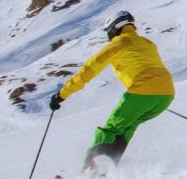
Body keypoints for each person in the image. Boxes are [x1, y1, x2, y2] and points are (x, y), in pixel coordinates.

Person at [50, 10, 175, 169]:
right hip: (166, 94)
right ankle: (109, 167)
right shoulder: (147, 43)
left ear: (114, 28)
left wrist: (61, 95)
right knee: (127, 127)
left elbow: (87, 71)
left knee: (110, 129)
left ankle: (90, 170)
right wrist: (153, 95)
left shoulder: (117, 44)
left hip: (143, 92)